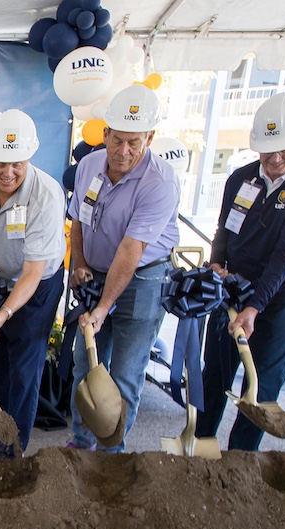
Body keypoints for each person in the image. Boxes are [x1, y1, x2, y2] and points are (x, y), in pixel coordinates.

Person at [196, 92, 285, 451]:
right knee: (215, 373)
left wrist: (255, 307)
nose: (275, 158)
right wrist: (218, 263)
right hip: (237, 287)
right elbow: (224, 229)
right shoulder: (240, 178)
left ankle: (240, 461)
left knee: (261, 385)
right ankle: (200, 449)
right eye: (268, 149)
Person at [66, 85, 180, 453]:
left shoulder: (160, 181)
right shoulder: (87, 166)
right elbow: (80, 221)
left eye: (135, 142)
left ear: (150, 137)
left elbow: (131, 251)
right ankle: (82, 445)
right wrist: (79, 266)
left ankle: (111, 454)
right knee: (84, 365)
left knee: (125, 375)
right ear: (105, 134)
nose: (124, 151)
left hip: (143, 281)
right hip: (97, 273)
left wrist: (101, 308)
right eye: (117, 140)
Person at [0, 110, 66, 459]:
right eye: (0, 163)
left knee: (24, 364)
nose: (8, 173)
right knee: (0, 359)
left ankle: (13, 450)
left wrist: (4, 313)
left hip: (37, 286)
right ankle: (4, 435)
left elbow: (33, 273)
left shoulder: (46, 196)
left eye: (17, 164)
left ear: (29, 158)